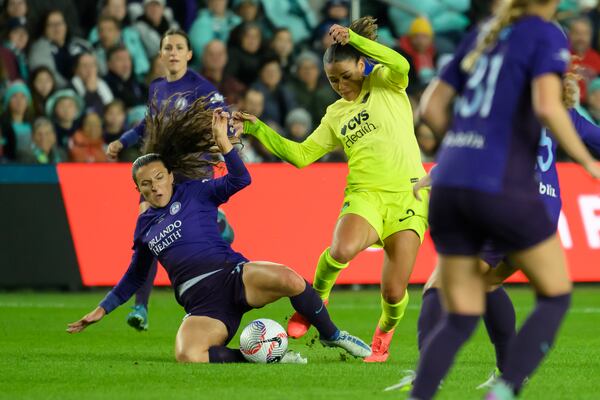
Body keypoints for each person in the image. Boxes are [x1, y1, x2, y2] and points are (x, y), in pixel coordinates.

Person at [66, 100, 372, 364]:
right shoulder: (145, 226)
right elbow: (134, 275)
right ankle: (258, 357)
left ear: (170, 175)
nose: (155, 187)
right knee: (188, 356)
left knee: (291, 279)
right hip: (202, 305)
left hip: (234, 276)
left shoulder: (195, 192)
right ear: (138, 189)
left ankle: (332, 334)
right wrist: (101, 310)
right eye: (146, 184)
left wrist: (224, 144)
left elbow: (241, 180)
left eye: (159, 178)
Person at [405, 1, 600, 399]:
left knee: (459, 299)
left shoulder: (483, 37)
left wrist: (455, 158)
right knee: (552, 294)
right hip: (518, 199)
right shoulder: (546, 41)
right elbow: (550, 109)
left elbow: (430, 107)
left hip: (461, 188)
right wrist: (588, 166)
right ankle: (507, 385)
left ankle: (427, 387)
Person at [233, 17, 427, 363]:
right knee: (342, 248)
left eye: (345, 76)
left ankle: (383, 333)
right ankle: (315, 300)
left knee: (394, 291)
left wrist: (353, 38)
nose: (339, 85)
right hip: (365, 193)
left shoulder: (387, 82)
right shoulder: (336, 114)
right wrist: (258, 129)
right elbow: (302, 155)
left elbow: (401, 62)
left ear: (363, 65)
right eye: (332, 80)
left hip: (407, 196)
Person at [105, 28, 232, 332]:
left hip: (194, 170)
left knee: (200, 232)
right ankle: (140, 306)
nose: (173, 52)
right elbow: (148, 122)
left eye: (179, 47)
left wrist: (225, 139)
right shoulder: (157, 87)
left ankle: (220, 227)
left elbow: (223, 117)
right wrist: (123, 141)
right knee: (148, 232)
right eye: (168, 47)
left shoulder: (201, 87)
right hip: (160, 172)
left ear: (189, 54)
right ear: (161, 54)